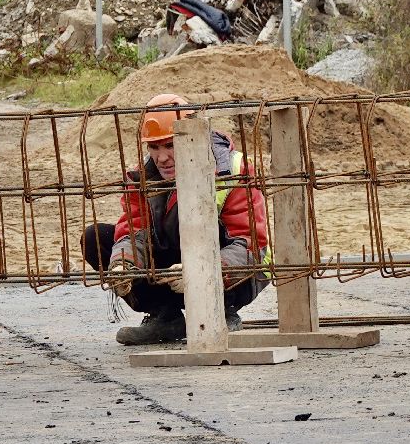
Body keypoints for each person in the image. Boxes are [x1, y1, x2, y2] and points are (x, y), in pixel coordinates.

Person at [81, 93, 270, 345]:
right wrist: (122, 266)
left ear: (194, 136)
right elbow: (134, 231)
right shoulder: (142, 177)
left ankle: (221, 312)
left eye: (170, 145)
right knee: (96, 238)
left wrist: (205, 271)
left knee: (198, 226)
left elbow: (249, 244)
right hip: (173, 274)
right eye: (154, 147)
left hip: (232, 276)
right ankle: (165, 315)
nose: (161, 158)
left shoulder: (232, 170)